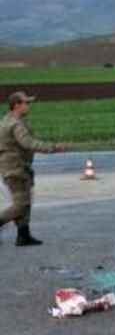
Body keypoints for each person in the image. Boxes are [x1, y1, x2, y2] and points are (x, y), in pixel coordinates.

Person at [0, 91, 68, 246]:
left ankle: (23, 235)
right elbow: (29, 144)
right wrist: (55, 148)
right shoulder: (15, 124)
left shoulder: (6, 120)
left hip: (14, 167)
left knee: (25, 200)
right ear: (17, 105)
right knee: (21, 204)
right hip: (15, 168)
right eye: (26, 103)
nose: (29, 106)